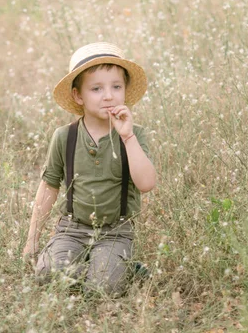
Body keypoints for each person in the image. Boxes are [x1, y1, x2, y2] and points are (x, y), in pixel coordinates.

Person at [22, 42, 156, 297]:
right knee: (48, 274)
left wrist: (127, 138)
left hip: (115, 231)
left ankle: (116, 267)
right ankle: (95, 264)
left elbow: (146, 183)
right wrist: (32, 240)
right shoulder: (64, 136)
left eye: (116, 87)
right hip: (72, 228)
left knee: (104, 287)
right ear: (78, 95)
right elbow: (49, 186)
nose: (108, 95)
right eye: (96, 88)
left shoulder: (135, 135)